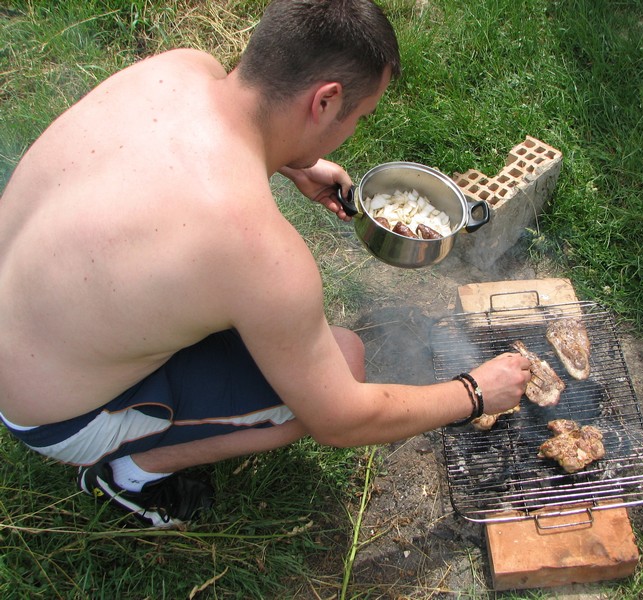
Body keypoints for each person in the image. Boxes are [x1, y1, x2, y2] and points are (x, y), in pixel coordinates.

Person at [0, 0, 531, 527]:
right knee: (343, 361)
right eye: (360, 117)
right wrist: (474, 392)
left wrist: (290, 160)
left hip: (25, 325)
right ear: (326, 101)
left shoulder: (178, 69)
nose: (354, 130)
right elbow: (340, 420)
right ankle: (130, 475)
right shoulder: (259, 253)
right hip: (54, 415)